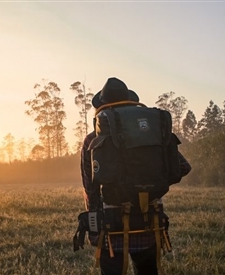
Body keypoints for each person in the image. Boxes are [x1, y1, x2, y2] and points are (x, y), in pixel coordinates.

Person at [80, 77, 191, 275]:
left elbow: (90, 187)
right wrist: (151, 184)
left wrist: (96, 228)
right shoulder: (154, 135)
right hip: (149, 222)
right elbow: (182, 167)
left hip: (110, 227)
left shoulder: (92, 140)